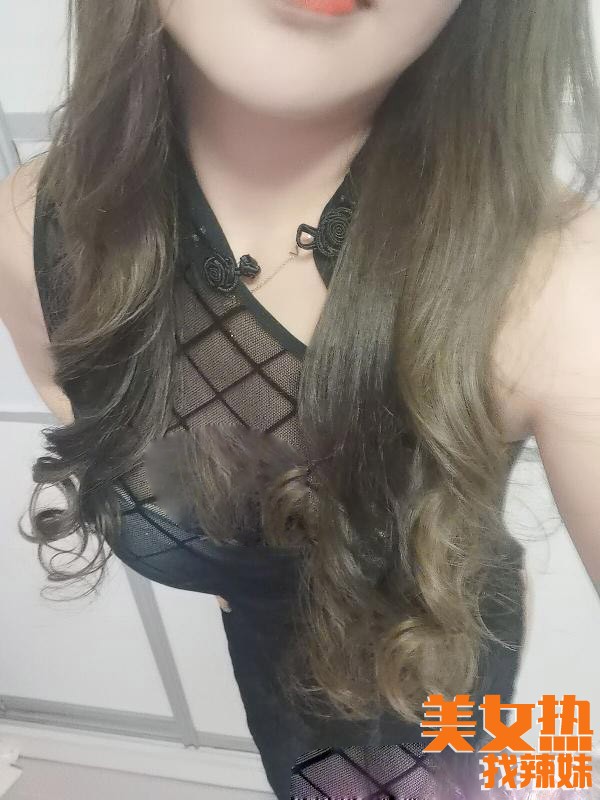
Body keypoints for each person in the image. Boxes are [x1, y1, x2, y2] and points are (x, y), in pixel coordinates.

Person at [1, 1, 599, 797]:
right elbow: (79, 403)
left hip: (434, 690)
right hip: (273, 676)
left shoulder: (554, 279)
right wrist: (228, 544)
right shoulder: (38, 227)